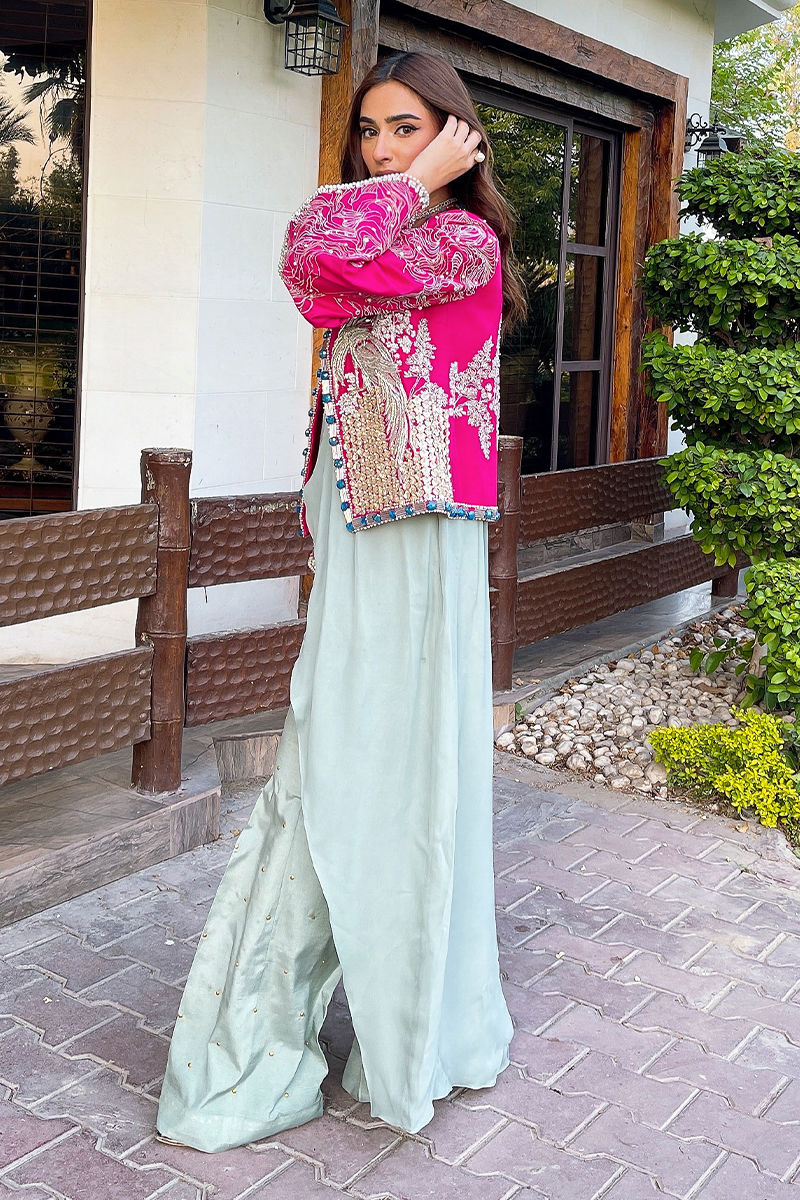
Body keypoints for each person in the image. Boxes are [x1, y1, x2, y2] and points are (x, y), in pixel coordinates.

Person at [155, 49, 526, 1153]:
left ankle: (414, 1026)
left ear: (456, 134)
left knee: (393, 747)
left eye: (407, 128)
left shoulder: (463, 241)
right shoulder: (388, 220)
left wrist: (413, 189)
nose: (380, 150)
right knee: (338, 732)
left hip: (421, 521)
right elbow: (306, 263)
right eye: (370, 131)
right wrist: (400, 188)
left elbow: (329, 260)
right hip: (362, 517)